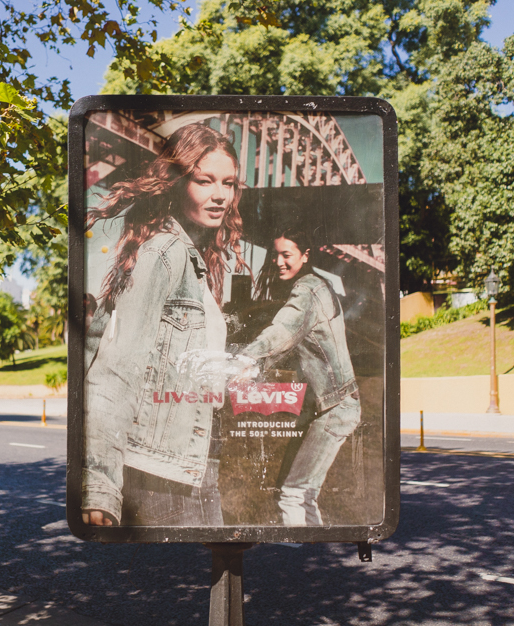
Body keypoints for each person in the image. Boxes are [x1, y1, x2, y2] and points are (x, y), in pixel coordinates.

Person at [82, 123, 247, 528]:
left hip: (189, 464)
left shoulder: (194, 258)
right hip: (161, 475)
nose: (220, 195)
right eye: (204, 181)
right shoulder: (165, 252)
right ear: (176, 182)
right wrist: (100, 486)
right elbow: (115, 369)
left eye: (228, 183)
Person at [237, 228, 360, 526]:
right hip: (330, 406)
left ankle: (302, 559)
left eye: (287, 255)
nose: (279, 261)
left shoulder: (307, 291)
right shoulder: (317, 286)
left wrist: (246, 359)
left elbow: (284, 330)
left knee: (295, 493)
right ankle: (308, 549)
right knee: (299, 492)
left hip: (335, 409)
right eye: (275, 254)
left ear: (305, 256)